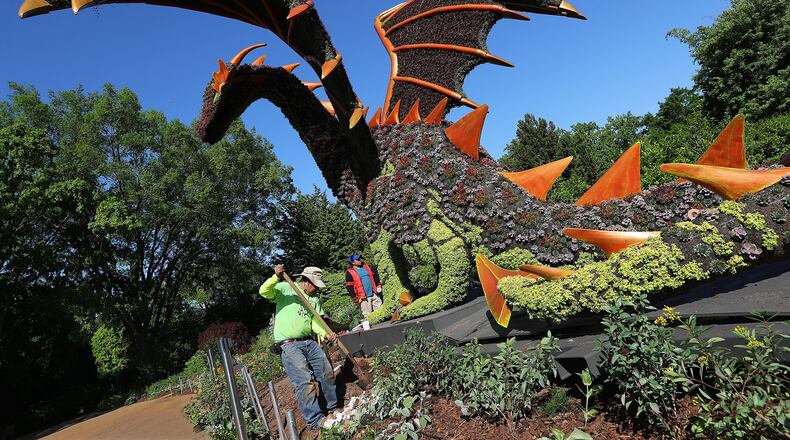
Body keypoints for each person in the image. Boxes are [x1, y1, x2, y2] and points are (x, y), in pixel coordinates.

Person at [259, 264, 338, 431]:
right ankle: (315, 420)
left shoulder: (314, 299)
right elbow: (264, 292)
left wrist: (326, 334)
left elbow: (315, 322)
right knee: (304, 381)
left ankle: (333, 408)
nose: (317, 289)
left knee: (327, 372)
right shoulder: (287, 288)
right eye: (315, 285)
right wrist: (275, 277)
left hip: (308, 341)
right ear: (306, 281)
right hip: (289, 344)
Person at [344, 254, 383, 319]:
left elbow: (375, 276)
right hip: (363, 298)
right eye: (358, 259)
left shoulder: (367, 267)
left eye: (360, 259)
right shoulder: (349, 272)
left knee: (380, 313)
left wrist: (378, 285)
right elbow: (349, 286)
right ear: (353, 262)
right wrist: (355, 298)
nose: (360, 260)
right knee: (368, 317)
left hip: (374, 294)